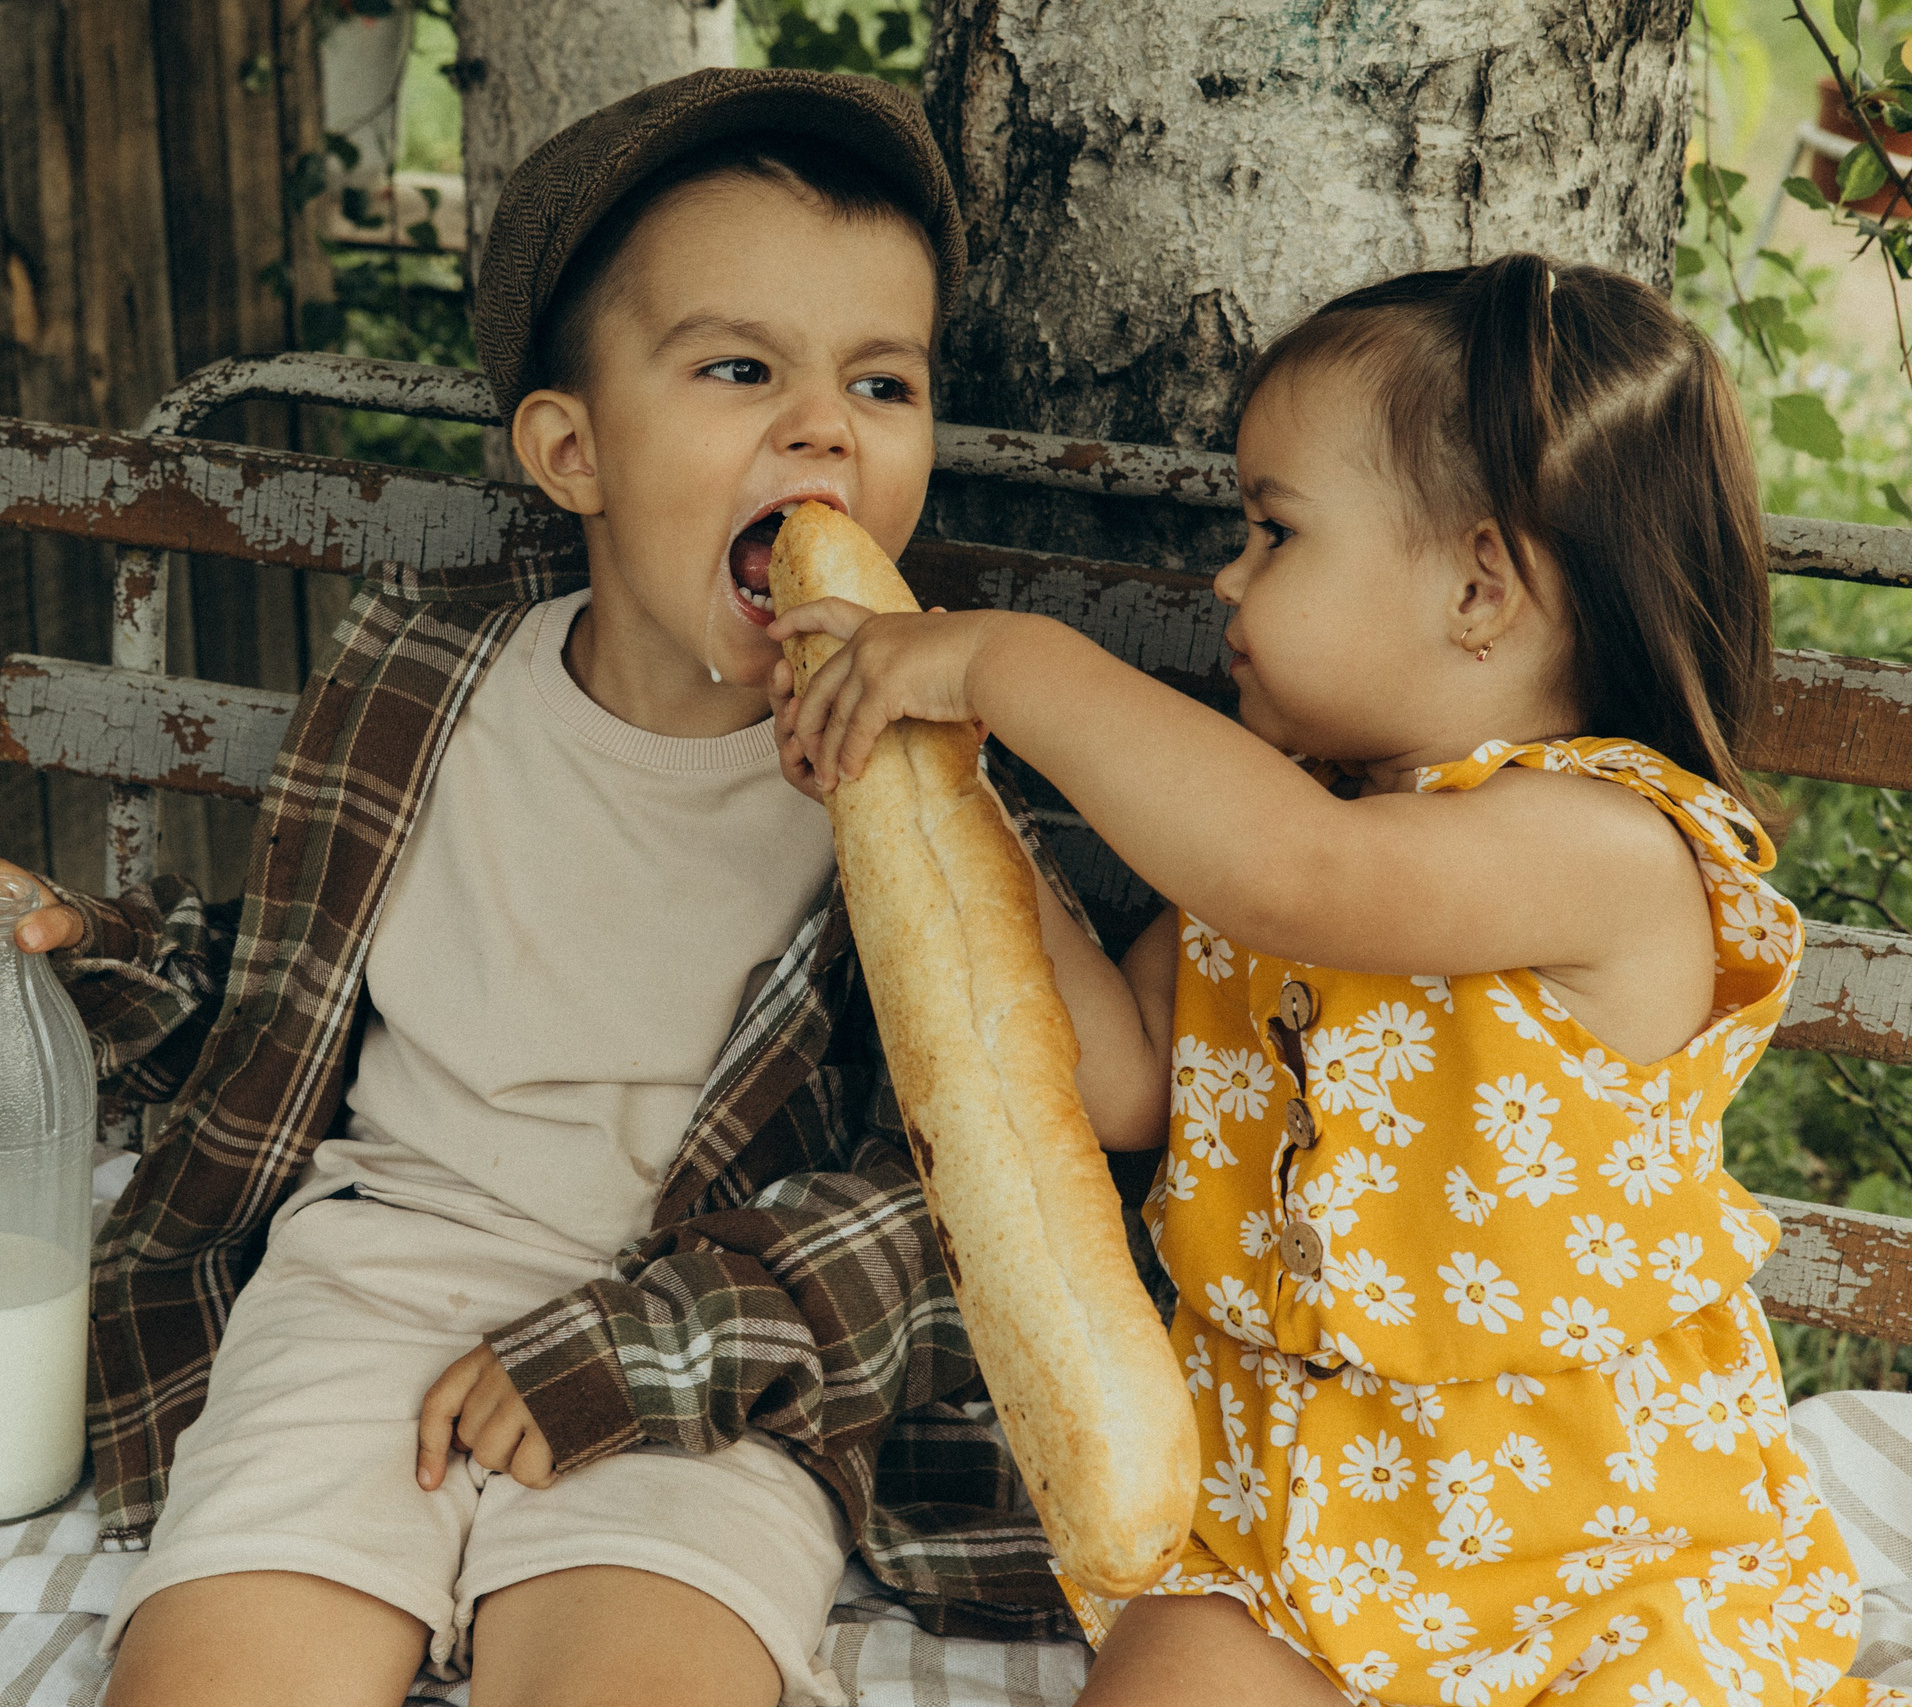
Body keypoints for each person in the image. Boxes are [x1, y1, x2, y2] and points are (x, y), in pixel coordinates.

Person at [0, 68, 1140, 1707]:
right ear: (572, 450)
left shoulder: (924, 786)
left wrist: (661, 1344)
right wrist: (75, 956)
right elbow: (290, 995)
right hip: (375, 1277)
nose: (824, 425)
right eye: (741, 367)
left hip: (709, 1340)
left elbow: (964, 1183)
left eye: (882, 381)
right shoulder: (428, 683)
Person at [773, 254, 1900, 1705]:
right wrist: (945, 799)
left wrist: (1002, 658)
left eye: (1274, 530)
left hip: (1589, 1566)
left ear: (1481, 585)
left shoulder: (1604, 844)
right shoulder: (1292, 822)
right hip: (1284, 1529)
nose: (1228, 577)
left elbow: (1302, 874)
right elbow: (1117, 1078)